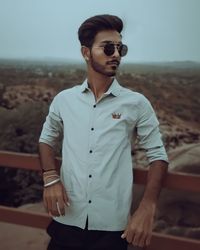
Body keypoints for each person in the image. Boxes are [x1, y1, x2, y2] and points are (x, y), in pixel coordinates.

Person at [39, 14, 168, 250]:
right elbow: (47, 139)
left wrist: (147, 206)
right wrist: (50, 179)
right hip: (66, 220)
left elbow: (158, 155)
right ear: (86, 53)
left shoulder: (137, 103)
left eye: (121, 48)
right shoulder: (63, 100)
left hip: (111, 230)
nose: (116, 55)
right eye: (108, 48)